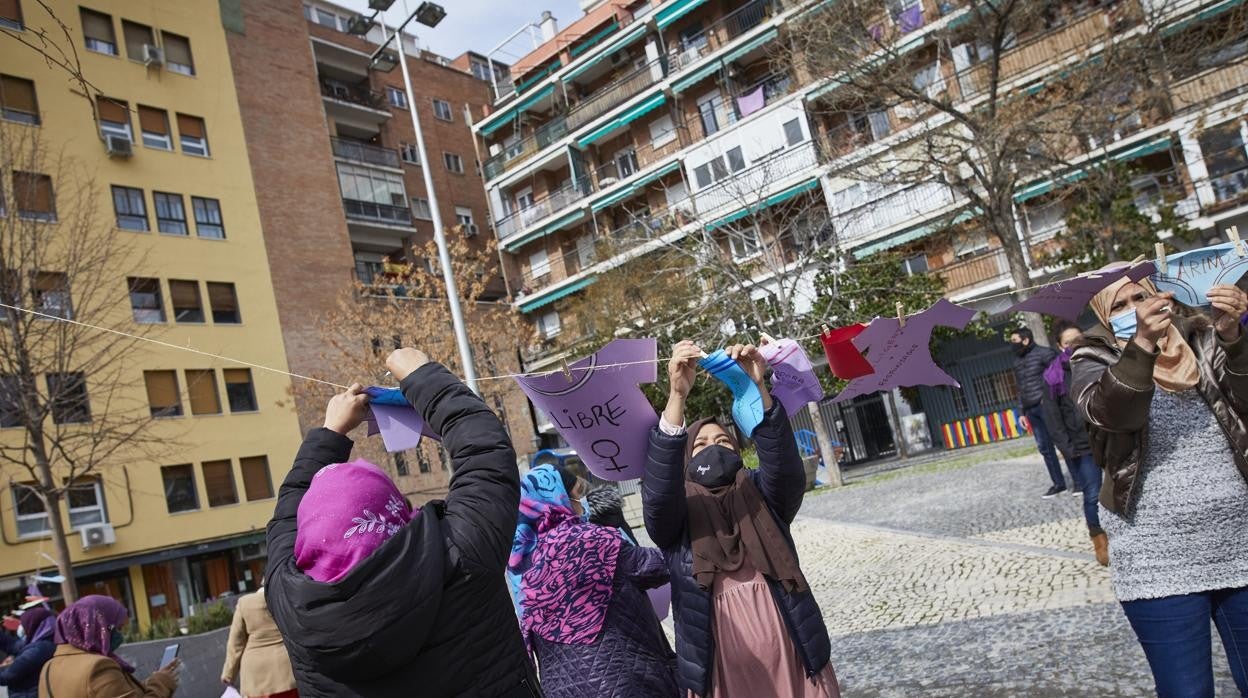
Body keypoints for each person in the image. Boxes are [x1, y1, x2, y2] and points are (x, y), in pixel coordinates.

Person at [264, 348, 540, 697]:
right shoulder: (461, 553)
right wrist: (422, 375)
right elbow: (485, 454)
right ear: (397, 511)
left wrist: (330, 432)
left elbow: (285, 515)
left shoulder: (289, 601)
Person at [1071, 268, 1248, 695]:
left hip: (1240, 541)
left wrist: (1233, 337)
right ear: (1103, 317)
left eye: (1141, 297)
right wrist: (1143, 344)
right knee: (1186, 691)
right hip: (1156, 556)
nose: (1136, 309)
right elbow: (1113, 415)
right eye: (1120, 305)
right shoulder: (1090, 358)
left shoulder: (1203, 334)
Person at [643, 341, 840, 698]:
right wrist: (676, 395)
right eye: (700, 446)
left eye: (724, 442)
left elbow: (783, 466)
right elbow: (657, 496)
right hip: (720, 666)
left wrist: (757, 387)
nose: (714, 449)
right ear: (685, 461)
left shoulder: (761, 495)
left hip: (793, 652)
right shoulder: (677, 517)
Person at [507, 464, 677, 698]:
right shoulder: (589, 539)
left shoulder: (518, 567)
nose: (581, 503)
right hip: (626, 681)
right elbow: (655, 566)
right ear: (558, 499)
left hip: (561, 690)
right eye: (576, 494)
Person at [1042, 322, 1107, 566]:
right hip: (1081, 443)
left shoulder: (1098, 358)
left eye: (1078, 339)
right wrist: (1066, 447)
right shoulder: (1053, 376)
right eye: (1068, 342)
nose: (1074, 345)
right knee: (1092, 492)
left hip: (1109, 434)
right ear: (1060, 346)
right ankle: (1099, 540)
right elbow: (1052, 416)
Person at [38, 595, 180, 697]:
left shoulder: (48, 667)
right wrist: (162, 683)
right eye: (116, 628)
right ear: (99, 628)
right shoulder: (98, 666)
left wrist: (152, 681)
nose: (120, 634)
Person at [1010, 327, 1076, 498]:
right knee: (1045, 449)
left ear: (1025, 340)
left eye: (1014, 340)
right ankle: (1058, 484)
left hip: (1047, 406)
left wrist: (1052, 400)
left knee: (1062, 442)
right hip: (1031, 410)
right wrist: (1022, 412)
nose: (1012, 345)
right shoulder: (1017, 361)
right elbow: (1020, 388)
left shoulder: (1045, 354)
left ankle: (1078, 482)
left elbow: (1058, 378)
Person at [221, 588, 298, 698]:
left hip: (255, 678)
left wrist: (229, 675)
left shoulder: (244, 603)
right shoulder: (285, 598)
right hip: (288, 673)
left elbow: (235, 644)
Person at [0, 607, 56, 698]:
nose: (21, 627)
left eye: (23, 624)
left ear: (33, 624)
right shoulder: (44, 642)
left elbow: (8, 675)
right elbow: (13, 646)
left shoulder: (38, 650)